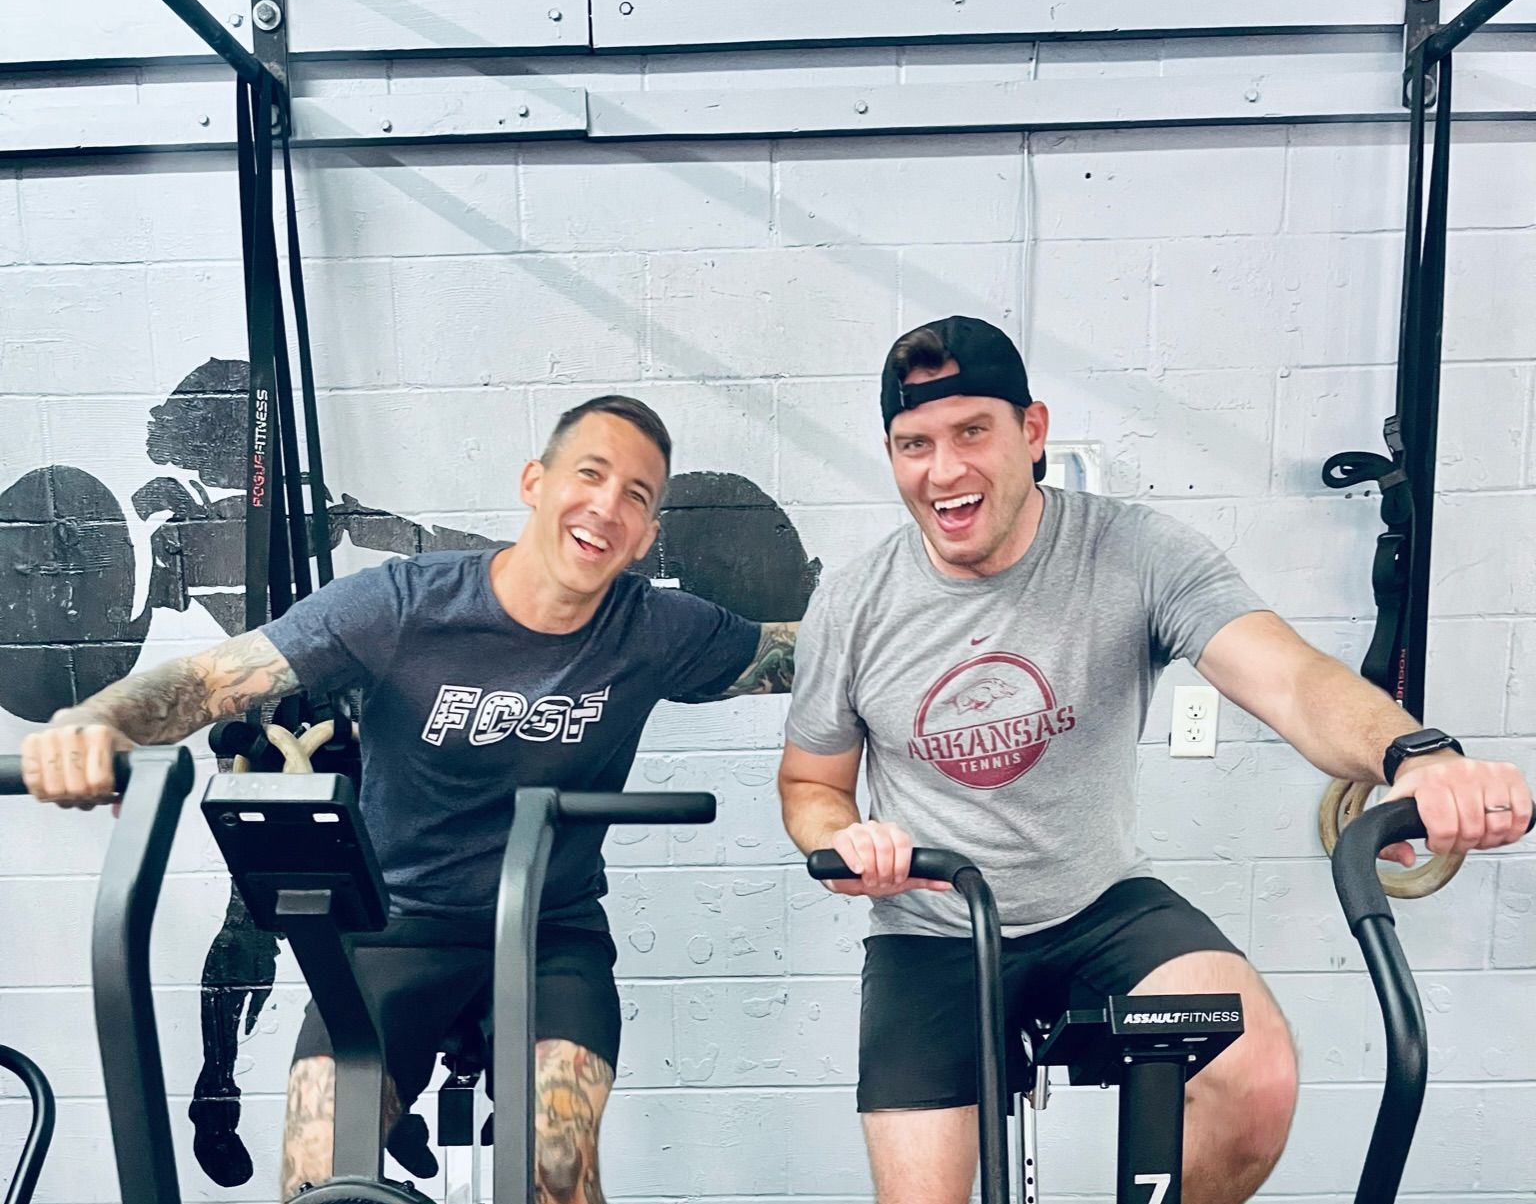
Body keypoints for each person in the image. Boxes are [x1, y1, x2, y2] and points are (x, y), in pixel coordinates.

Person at [776, 316, 1532, 1204]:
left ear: (1033, 430)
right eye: (914, 444)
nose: (943, 471)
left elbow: (1289, 679)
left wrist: (1417, 753)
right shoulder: (856, 602)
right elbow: (810, 782)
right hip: (933, 928)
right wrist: (845, 835)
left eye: (972, 431)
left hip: (1095, 903)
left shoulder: (1135, 553)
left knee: (1257, 1083)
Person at [22, 394, 798, 1204]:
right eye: (590, 474)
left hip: (548, 932)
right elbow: (213, 680)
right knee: (319, 1170)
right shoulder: (404, 604)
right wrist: (96, 719)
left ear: (645, 535)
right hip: (395, 925)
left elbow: (810, 657)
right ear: (535, 481)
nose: (608, 505)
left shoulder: (655, 629)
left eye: (637, 497)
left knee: (557, 1165)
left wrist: (929, 607)